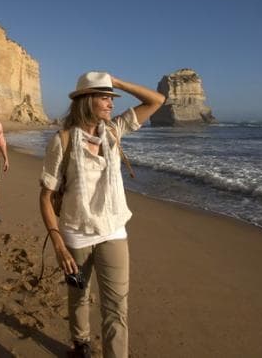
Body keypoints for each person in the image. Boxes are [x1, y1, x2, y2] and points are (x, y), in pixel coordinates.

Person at [39, 72, 165, 358]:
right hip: (75, 233)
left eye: (111, 98)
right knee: (79, 295)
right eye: (104, 97)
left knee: (116, 306)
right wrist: (58, 245)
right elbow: (45, 197)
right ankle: (81, 342)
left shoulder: (113, 132)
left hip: (113, 231)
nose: (111, 104)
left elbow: (156, 100)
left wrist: (116, 82)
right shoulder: (63, 141)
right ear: (87, 100)